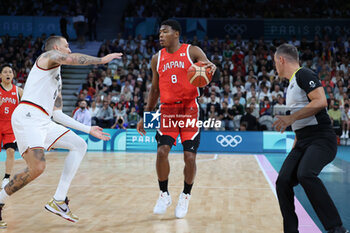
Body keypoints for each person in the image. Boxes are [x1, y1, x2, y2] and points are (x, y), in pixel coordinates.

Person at [0, 36, 122, 228]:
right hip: (28, 114)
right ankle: (0, 200)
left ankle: (58, 200)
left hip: (44, 120)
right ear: (57, 48)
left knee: (79, 145)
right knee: (37, 168)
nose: (70, 50)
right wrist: (101, 60)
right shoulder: (46, 57)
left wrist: (88, 129)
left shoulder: (57, 80)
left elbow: (57, 115)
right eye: (67, 46)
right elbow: (73, 60)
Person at [136, 19, 216, 218]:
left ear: (176, 34)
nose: (160, 35)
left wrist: (210, 68)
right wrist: (146, 115)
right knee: (162, 152)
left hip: (189, 109)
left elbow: (208, 67)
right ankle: (164, 194)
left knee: (189, 157)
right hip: (167, 111)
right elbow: (154, 89)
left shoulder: (192, 51)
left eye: (164, 32)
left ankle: (185, 196)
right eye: (159, 33)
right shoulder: (157, 58)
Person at [272, 44, 348, 233]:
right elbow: (300, 126)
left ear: (281, 60)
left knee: (305, 174)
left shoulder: (303, 74)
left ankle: (336, 228)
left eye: (275, 62)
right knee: (282, 181)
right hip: (303, 141)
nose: (275, 66)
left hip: (322, 138)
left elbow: (321, 101)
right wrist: (294, 153)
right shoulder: (290, 85)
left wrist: (291, 118)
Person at [0, 64, 23, 189]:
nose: (8, 74)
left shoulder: (18, 91)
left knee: (10, 151)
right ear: (0, 75)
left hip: (10, 125)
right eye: (5, 72)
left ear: (13, 75)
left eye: (10, 72)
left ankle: (6, 177)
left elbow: (26, 107)